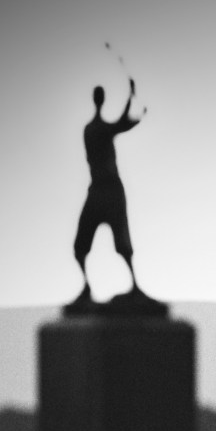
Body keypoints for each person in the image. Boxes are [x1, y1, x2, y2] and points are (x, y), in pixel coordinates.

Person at [71, 79, 145, 301]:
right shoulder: (94, 129)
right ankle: (89, 287)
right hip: (102, 190)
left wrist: (132, 105)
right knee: (81, 245)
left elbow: (121, 124)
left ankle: (134, 286)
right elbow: (121, 124)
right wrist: (130, 98)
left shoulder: (92, 129)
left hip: (109, 190)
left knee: (121, 244)